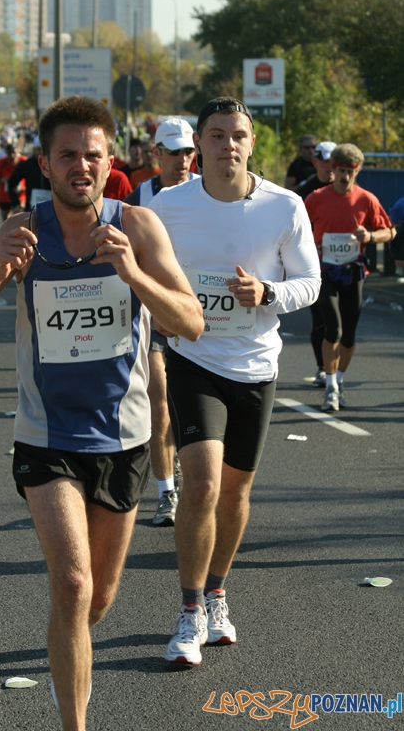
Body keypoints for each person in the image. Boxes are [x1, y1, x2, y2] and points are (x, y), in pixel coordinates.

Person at [0, 96, 203, 730]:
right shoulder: (21, 230)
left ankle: (68, 642)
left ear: (109, 159)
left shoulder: (138, 227)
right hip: (46, 435)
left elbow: (191, 322)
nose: (80, 166)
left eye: (92, 154)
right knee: (73, 585)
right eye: (68, 155)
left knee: (97, 599)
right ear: (46, 163)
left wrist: (134, 275)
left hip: (124, 438)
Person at [149, 96, 320, 667]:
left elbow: (310, 281)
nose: (228, 145)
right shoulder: (167, 205)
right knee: (200, 484)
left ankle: (218, 591)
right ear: (199, 144)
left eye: (238, 135)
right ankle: (189, 611)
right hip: (194, 355)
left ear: (252, 143)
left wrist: (268, 294)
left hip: (256, 363)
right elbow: (128, 254)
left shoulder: (284, 205)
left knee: (237, 491)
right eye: (216, 135)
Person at [126, 118, 199, 526]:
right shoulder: (139, 199)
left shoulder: (210, 193)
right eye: (174, 152)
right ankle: (166, 492)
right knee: (159, 404)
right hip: (153, 315)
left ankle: (191, 471)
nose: (183, 160)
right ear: (157, 154)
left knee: (190, 405)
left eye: (189, 151)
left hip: (198, 315)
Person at [305, 143, 393, 412]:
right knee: (333, 328)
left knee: (350, 334)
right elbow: (295, 232)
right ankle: (330, 386)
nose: (344, 177)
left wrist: (370, 236)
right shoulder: (316, 198)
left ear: (357, 172)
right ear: (333, 169)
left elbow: (388, 231)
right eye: (340, 170)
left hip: (353, 271)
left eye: (349, 172)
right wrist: (311, 246)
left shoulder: (367, 199)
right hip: (325, 271)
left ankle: (339, 380)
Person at [298, 141, 337, 387]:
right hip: (315, 265)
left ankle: (335, 367)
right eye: (325, 161)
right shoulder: (306, 192)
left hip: (345, 267)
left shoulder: (347, 189)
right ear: (315, 162)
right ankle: (323, 367)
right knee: (323, 317)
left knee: (342, 322)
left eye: (335, 163)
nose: (330, 167)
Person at [8, 136, 52, 213]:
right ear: (33, 149)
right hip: (32, 210)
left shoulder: (54, 165)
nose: (41, 152)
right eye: (38, 149)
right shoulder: (26, 165)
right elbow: (11, 183)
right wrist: (16, 204)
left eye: (44, 149)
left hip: (54, 209)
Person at [0, 143, 27, 222]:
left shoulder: (24, 161)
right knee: (5, 220)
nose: (12, 155)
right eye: (9, 153)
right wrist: (4, 180)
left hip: (20, 195)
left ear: (18, 152)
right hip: (5, 195)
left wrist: (25, 186)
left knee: (20, 217)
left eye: (14, 153)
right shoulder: (2, 162)